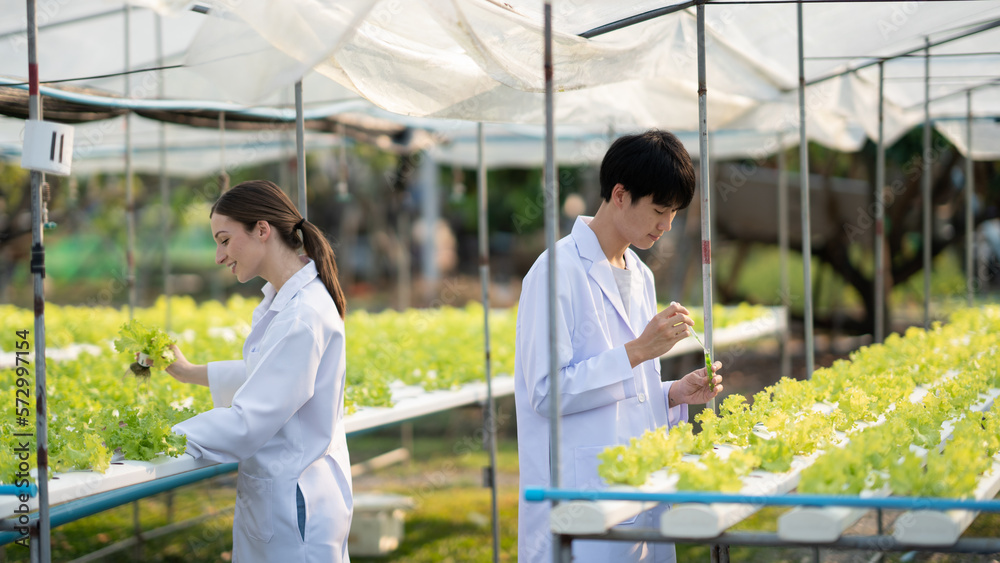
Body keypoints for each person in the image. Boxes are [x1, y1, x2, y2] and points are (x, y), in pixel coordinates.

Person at [514, 130, 724, 563]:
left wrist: (672, 393)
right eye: (660, 210)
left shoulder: (641, 275)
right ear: (620, 195)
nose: (667, 225)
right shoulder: (556, 271)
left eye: (674, 213)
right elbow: (544, 393)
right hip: (583, 497)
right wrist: (637, 350)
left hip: (639, 488)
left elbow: (629, 390)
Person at [164, 180, 352, 562]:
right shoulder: (289, 302)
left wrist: (160, 439)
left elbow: (249, 421)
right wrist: (188, 372)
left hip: (295, 503)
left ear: (262, 230)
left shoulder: (302, 315)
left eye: (224, 239)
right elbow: (267, 375)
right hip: (293, 493)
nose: (219, 256)